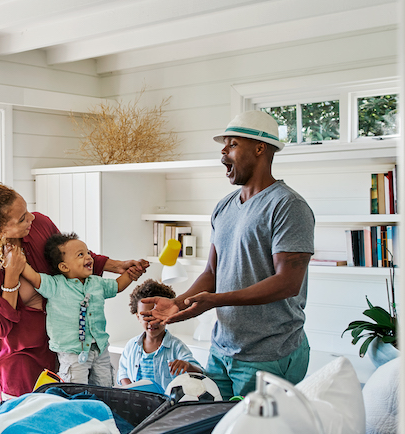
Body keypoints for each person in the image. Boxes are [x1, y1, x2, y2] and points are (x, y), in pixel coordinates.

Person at [141, 110, 315, 398]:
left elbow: (288, 282)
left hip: (268, 354)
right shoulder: (224, 207)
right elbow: (212, 272)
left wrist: (215, 302)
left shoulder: (288, 206)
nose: (223, 151)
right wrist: (178, 302)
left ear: (260, 148)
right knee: (217, 430)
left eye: (232, 144)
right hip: (221, 351)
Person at [0, 179, 148, 398]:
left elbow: (71, 257)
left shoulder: (40, 226)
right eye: (22, 218)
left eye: (27, 211)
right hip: (20, 356)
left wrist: (117, 265)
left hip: (66, 344)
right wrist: (11, 277)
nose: (32, 218)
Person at [18, 232, 144, 385]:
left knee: (105, 387)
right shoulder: (55, 285)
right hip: (72, 352)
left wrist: (132, 274)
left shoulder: (97, 283)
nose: (89, 257)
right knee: (75, 390)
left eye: (88, 252)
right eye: (80, 255)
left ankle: (102, 408)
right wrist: (19, 261)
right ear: (64, 266)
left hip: (99, 348)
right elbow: (34, 277)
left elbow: (117, 286)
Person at [118, 279, 203, 390]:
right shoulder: (131, 346)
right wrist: (131, 391)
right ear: (138, 317)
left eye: (157, 316)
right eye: (146, 316)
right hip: (138, 401)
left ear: (168, 315)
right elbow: (123, 373)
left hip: (167, 404)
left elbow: (200, 373)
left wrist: (187, 366)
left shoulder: (176, 347)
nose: (152, 322)